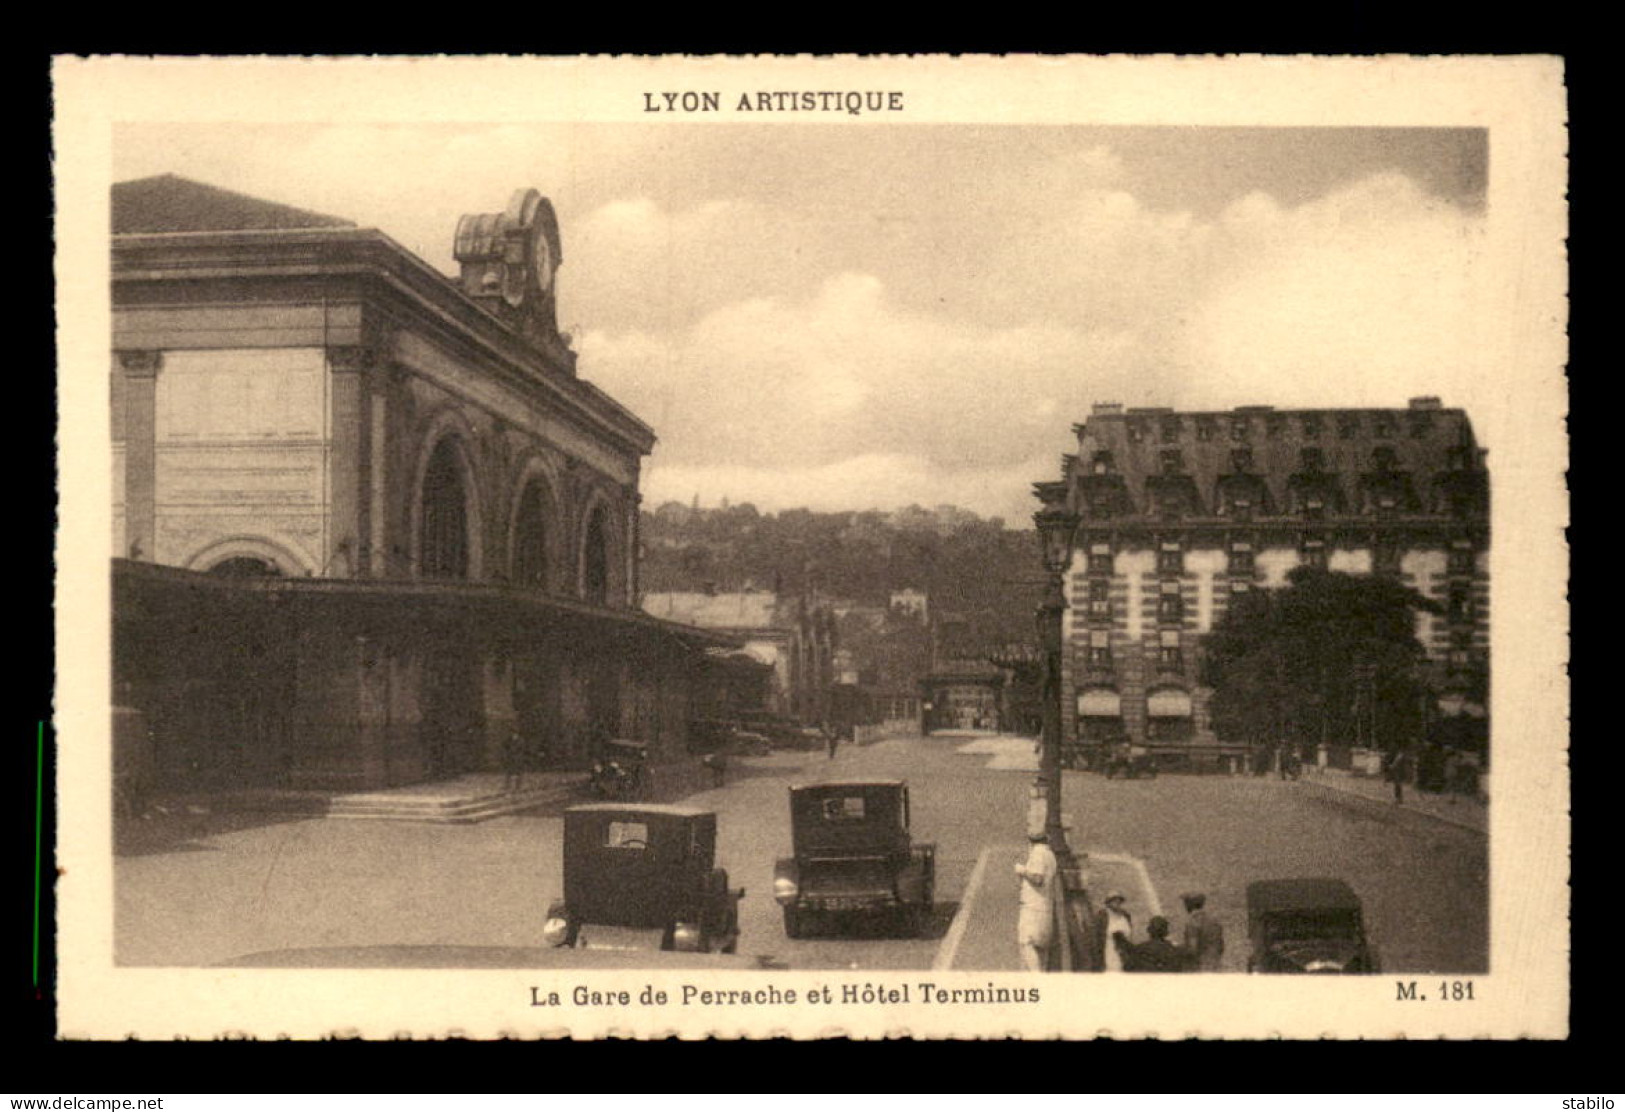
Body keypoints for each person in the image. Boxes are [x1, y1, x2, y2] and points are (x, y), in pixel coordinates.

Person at [1014, 829, 1059, 973]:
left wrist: (1022, 871)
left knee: (1026, 943)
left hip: (1034, 908)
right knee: (1041, 951)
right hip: (1046, 907)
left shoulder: (1038, 853)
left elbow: (1037, 878)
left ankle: (1037, 980)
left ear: (1031, 841)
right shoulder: (1050, 855)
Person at [1116, 915, 1193, 972]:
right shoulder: (1174, 950)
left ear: (1149, 931)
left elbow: (1128, 968)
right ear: (1166, 932)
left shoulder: (1140, 949)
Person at [1181, 892, 1225, 972]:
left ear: (1189, 905)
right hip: (1215, 963)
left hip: (1200, 966)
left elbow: (1192, 949)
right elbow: (1221, 946)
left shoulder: (1192, 922)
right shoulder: (1214, 920)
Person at [1097, 892, 1133, 973]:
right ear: (1108, 903)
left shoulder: (1125, 915)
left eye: (1119, 901)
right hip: (1109, 949)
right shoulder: (1102, 915)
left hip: (1123, 949)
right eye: (1114, 901)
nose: (1117, 903)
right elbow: (1098, 935)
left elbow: (1129, 933)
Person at [502, 727, 526, 792]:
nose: (513, 735)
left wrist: (518, 756)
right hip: (510, 757)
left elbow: (521, 750)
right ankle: (508, 785)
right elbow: (505, 747)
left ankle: (518, 786)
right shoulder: (508, 740)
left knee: (518, 772)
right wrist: (507, 755)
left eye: (515, 734)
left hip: (517, 758)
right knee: (509, 772)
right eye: (512, 733)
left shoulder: (521, 741)